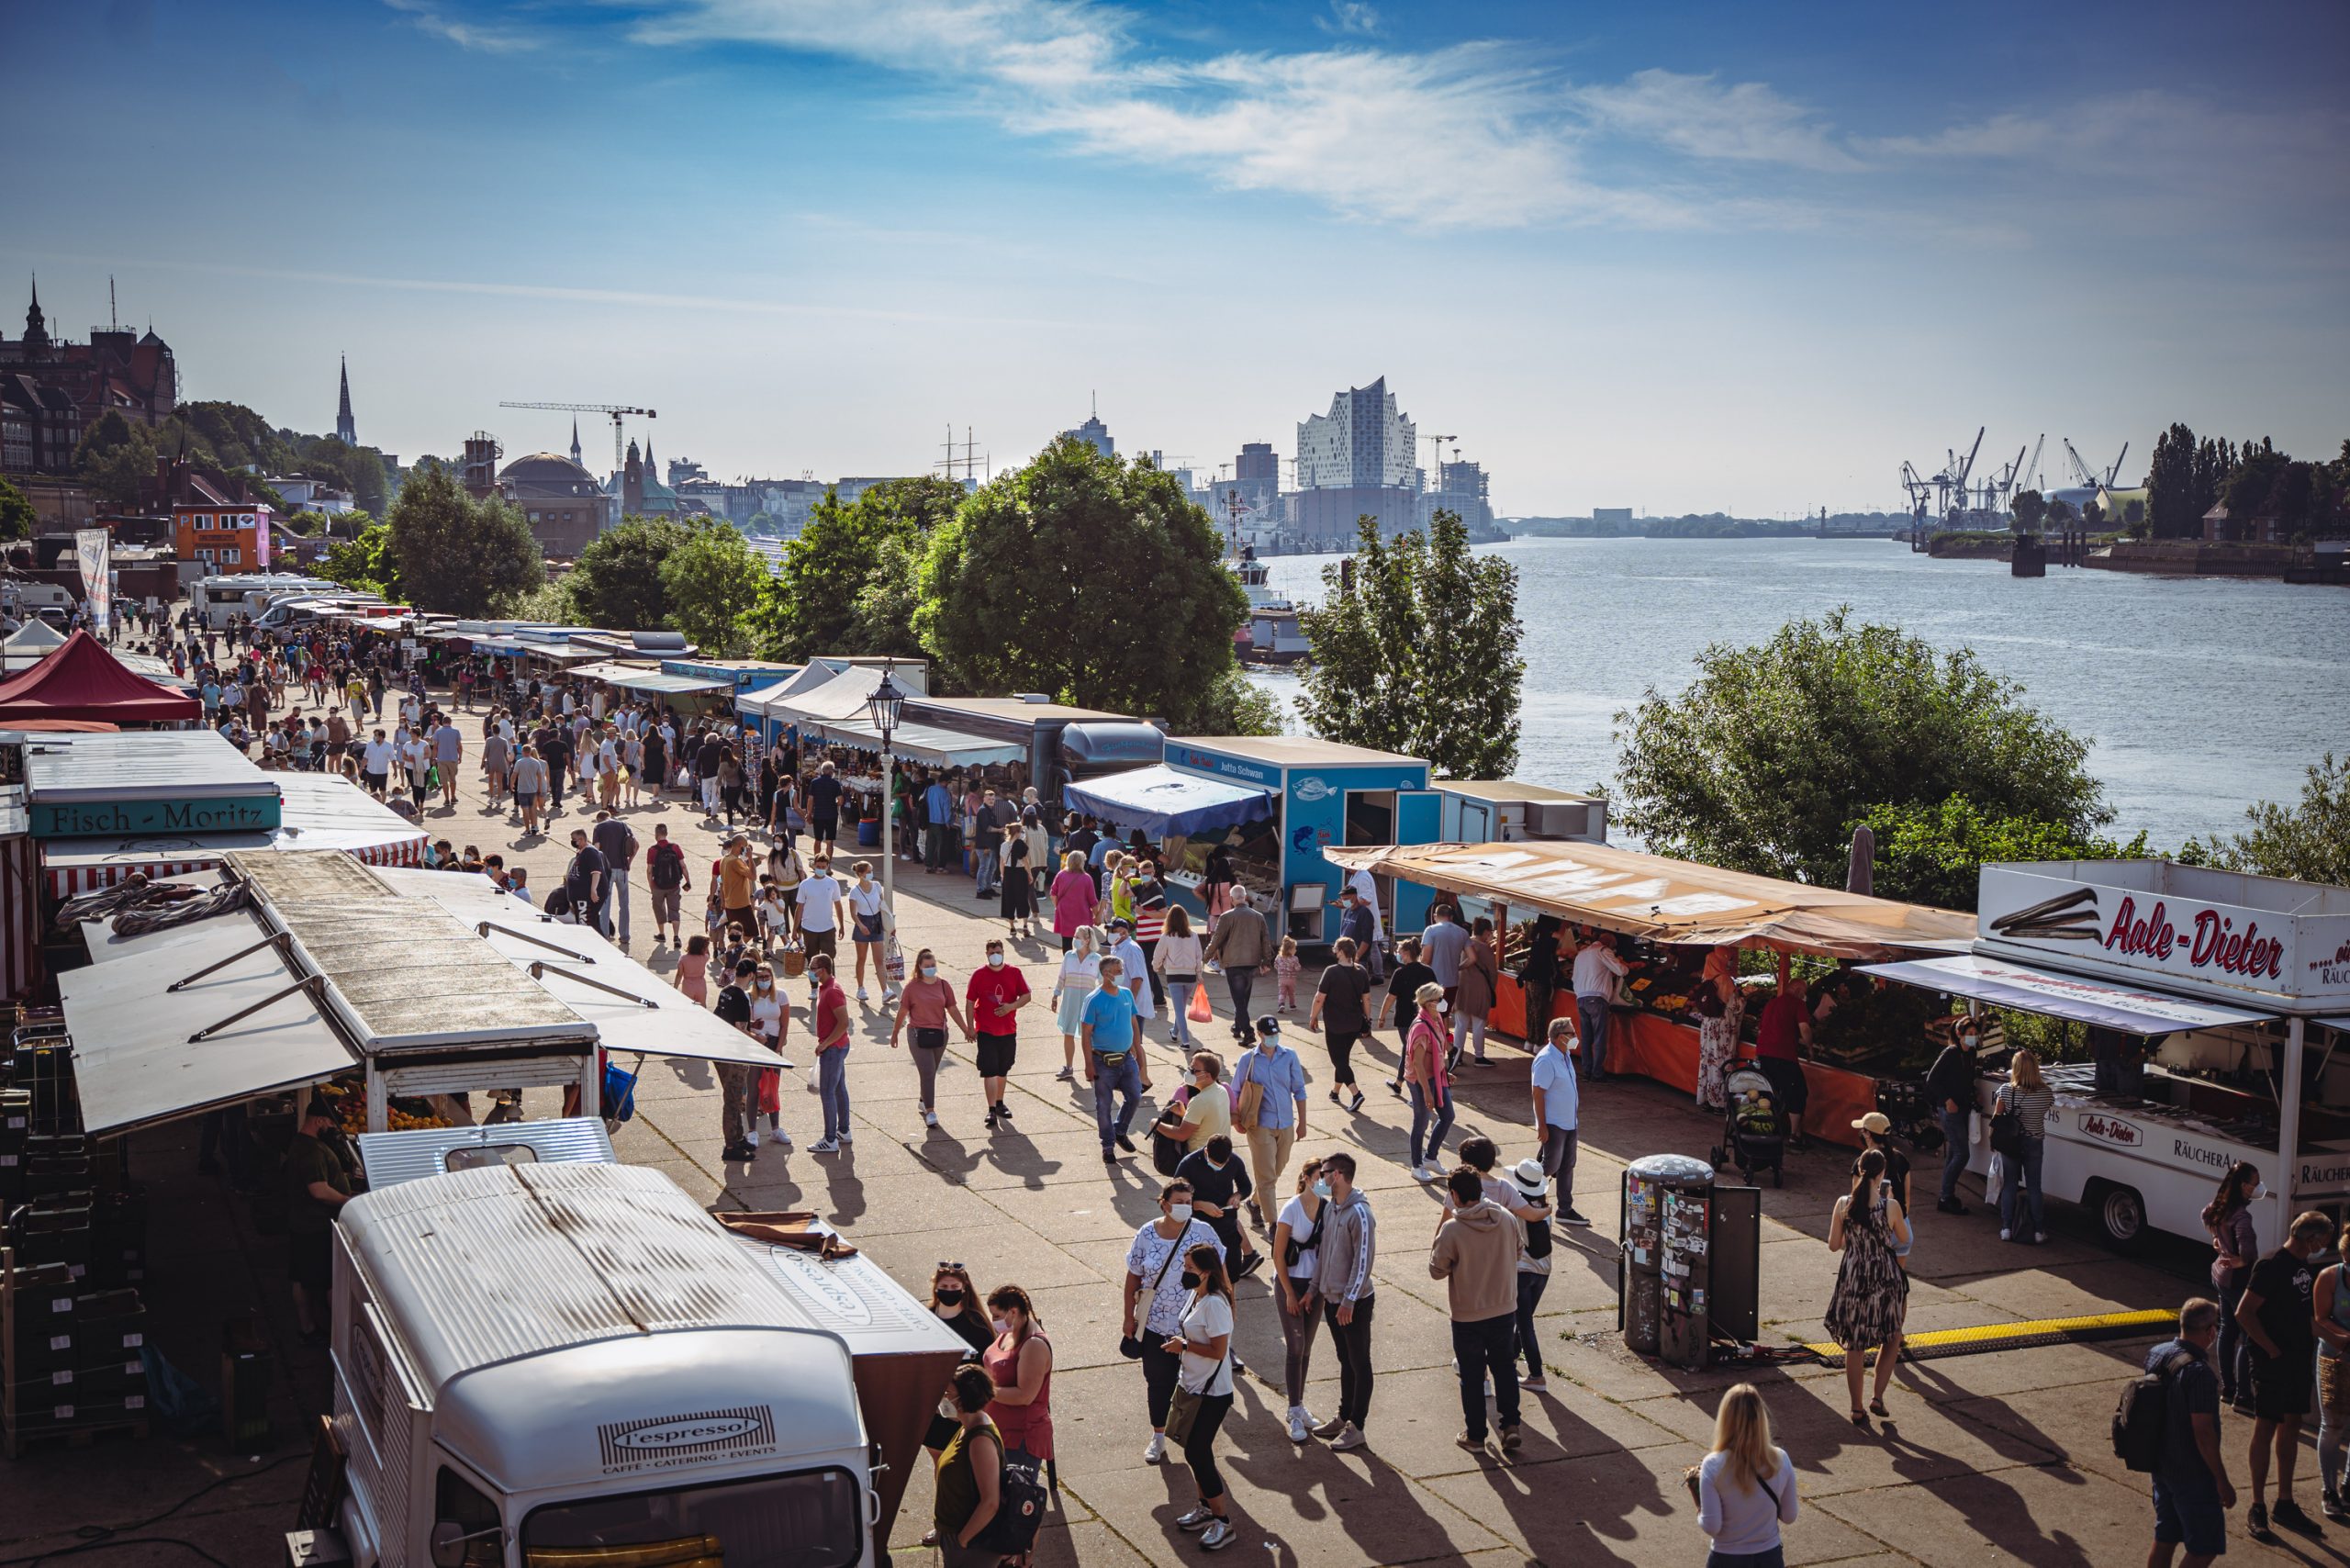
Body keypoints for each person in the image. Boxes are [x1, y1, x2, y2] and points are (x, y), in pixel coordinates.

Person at [2238, 1208, 2331, 1540]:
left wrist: (2332, 1337)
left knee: (2291, 1425)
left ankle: (2285, 1501)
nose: (2325, 1246)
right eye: (2323, 1240)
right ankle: (2258, 1504)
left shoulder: (2302, 1266)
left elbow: (2302, 1314)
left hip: (2296, 1360)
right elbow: (2244, 1313)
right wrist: (2272, 1350)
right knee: (2265, 1428)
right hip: (2272, 1362)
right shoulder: (2272, 1264)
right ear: (2311, 1238)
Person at [1123, 1182, 1223, 1465]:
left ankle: (1195, 1436)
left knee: (1197, 1384)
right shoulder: (1146, 1234)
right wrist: (1128, 1317)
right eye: (1179, 1201)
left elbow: (1221, 1272)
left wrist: (1227, 1310)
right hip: (1155, 1326)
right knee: (1158, 1382)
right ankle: (1158, 1436)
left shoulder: (1203, 1232)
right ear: (1164, 1204)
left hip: (1195, 1326)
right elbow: (1132, 1277)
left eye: (1189, 1201)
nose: (1185, 1207)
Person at [1430, 1164, 1525, 1455]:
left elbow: (1436, 1270)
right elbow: (1519, 1250)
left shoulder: (1453, 1229)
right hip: (1504, 1308)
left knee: (1472, 1376)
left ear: (1455, 1195)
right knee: (1505, 1369)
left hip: (1468, 1314)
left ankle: (1475, 1435)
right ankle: (1510, 1426)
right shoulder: (1506, 1218)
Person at [2146, 1297, 2236, 1568]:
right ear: (2210, 1332)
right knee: (2204, 1547)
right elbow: (2203, 1433)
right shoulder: (2200, 1374)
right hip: (2192, 1473)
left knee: (2165, 1536)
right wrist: (2221, 1479)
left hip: (2161, 1465)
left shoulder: (2158, 1353)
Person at [1825, 1147, 1911, 1426]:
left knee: (1855, 1343)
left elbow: (1833, 1245)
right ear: (1882, 1173)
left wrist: (1855, 1242)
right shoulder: (1891, 1206)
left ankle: (1856, 1408)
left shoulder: (1842, 1204)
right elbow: (1904, 1237)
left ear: (1859, 1170)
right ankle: (1877, 1397)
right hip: (1885, 1276)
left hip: (1854, 1276)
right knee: (1892, 1336)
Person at [1164, 1242, 1241, 1551]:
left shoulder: (1215, 1304)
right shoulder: (1195, 1296)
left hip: (1213, 1393)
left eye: (1190, 1269)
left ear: (1207, 1272)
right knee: (1193, 1450)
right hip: (1192, 1386)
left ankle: (1223, 1522)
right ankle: (1206, 1507)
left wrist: (1183, 1346)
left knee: (1198, 1452)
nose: (1185, 1273)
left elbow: (1219, 1351)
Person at [1310, 1151, 1376, 1450]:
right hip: (1333, 1299)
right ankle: (1344, 1414)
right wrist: (1315, 1288)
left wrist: (1349, 1300)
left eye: (1323, 1173)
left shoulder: (1360, 1214)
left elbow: (1363, 1262)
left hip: (1354, 1303)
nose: (1319, 1178)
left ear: (1336, 1175)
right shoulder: (1331, 1208)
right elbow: (1324, 1252)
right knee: (1345, 1359)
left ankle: (1357, 1426)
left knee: (1359, 1362)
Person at [1697, 1383, 1801, 1568]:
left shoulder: (1713, 1465)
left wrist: (1700, 1510)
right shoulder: (1780, 1459)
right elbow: (1789, 1516)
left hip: (1726, 1557)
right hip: (1769, 1556)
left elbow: (1712, 1526)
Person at [285, 1097, 354, 1340]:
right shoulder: (311, 1152)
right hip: (314, 1226)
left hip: (303, 1223)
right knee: (326, 1281)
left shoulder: (302, 1144)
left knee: (302, 1277)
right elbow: (319, 1190)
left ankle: (309, 1327)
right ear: (319, 1121)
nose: (332, 1129)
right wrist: (347, 1201)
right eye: (330, 1124)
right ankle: (328, 1333)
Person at [1231, 1015, 1310, 1229]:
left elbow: (1299, 1090)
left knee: (1276, 1170)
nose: (1273, 1038)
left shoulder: (1289, 1056)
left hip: (1285, 1123)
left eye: (1276, 1034)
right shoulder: (1248, 1059)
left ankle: (1255, 1203)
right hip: (1259, 1125)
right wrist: (1237, 1120)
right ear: (1259, 1035)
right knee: (1266, 1176)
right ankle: (1273, 1223)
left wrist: (1302, 1123)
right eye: (1269, 1035)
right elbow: (1235, 1090)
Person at [1272, 1158, 1328, 1444]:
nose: (1324, 1182)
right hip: (1290, 1283)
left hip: (1314, 1286)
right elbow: (1278, 1254)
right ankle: (1293, 1411)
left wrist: (1314, 1290)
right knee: (1295, 1347)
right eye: (1319, 1176)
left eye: (1327, 1177)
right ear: (1306, 1178)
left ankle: (1299, 1403)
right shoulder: (1292, 1208)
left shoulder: (1328, 1209)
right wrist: (1291, 1294)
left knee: (1305, 1348)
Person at [932, 1363, 1008, 1568]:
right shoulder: (967, 1426)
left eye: (948, 1393)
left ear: (964, 1398)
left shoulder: (980, 1441)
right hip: (959, 1536)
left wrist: (961, 1541)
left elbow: (990, 1502)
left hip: (972, 1544)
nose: (943, 1397)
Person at [2203, 1161, 2263, 1411]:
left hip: (2219, 1276)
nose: (2258, 1187)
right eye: (2255, 1183)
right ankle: (2243, 1396)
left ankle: (2227, 1388)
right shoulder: (2242, 1216)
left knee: (2227, 1329)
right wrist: (2243, 1260)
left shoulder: (2220, 1207)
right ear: (2243, 1186)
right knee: (2247, 1336)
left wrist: (2216, 1239)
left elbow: (2205, 1215)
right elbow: (2248, 1252)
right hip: (2238, 1282)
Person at [892, 948, 972, 1129]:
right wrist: (896, 1032)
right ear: (919, 967)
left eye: (933, 965)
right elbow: (903, 1011)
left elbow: (952, 1009)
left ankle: (923, 1099)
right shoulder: (912, 987)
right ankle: (930, 1111)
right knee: (927, 1071)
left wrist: (966, 1029)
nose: (931, 968)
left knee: (930, 1072)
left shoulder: (943, 985)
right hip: (917, 1035)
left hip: (939, 1035)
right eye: (927, 966)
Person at [981, 1284, 1054, 1484]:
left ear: (1013, 1312)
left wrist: (984, 1391)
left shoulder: (1033, 1345)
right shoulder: (1010, 1331)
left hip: (1019, 1440)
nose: (994, 1321)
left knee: (1011, 1504)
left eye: (996, 1316)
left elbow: (1025, 1396)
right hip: (999, 1431)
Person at [1175, 1127, 1264, 1282]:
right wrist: (1199, 1205)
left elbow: (1246, 1186)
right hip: (1198, 1227)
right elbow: (1174, 1197)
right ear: (1206, 1151)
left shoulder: (1234, 1161)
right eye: (1215, 1164)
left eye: (1224, 1164)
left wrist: (1238, 1196)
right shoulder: (1188, 1164)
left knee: (1230, 1277)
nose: (1220, 1167)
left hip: (1227, 1226)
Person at [1083, 957, 1146, 1166]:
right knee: (1104, 1105)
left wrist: (1138, 1048)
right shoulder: (1093, 999)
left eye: (1122, 970)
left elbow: (1133, 1023)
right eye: (1117, 971)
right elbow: (1085, 1034)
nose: (1121, 975)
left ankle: (1120, 1130)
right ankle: (1108, 1145)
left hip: (1126, 1059)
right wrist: (1088, 1064)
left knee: (1135, 1095)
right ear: (1106, 973)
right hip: (1101, 1061)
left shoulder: (1126, 994)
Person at [1528, 1017, 1591, 1225]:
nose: (1575, 1037)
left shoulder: (1565, 1056)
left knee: (1567, 1165)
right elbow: (1537, 1093)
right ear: (1560, 1036)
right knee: (1549, 1166)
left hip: (1569, 1122)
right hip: (1554, 1124)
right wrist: (1542, 1125)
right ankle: (1526, 1197)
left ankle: (1565, 1209)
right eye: (1571, 1033)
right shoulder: (1546, 1059)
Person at [966, 937, 1030, 1129]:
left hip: (1008, 1030)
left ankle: (1000, 1103)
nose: (996, 955)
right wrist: (970, 1027)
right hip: (986, 1030)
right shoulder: (979, 975)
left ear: (1004, 952)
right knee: (989, 1070)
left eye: (998, 952)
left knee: (1003, 1069)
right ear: (987, 954)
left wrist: (1011, 1006)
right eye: (992, 952)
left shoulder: (1014, 973)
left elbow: (1026, 996)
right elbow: (970, 1002)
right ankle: (991, 1109)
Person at [1505, 1157, 1556, 1393]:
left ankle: (1536, 1374)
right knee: (1523, 1320)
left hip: (1522, 1271)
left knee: (1524, 1324)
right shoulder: (1545, 1210)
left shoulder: (1515, 1210)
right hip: (1543, 1271)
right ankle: (1511, 1356)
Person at [1994, 1047, 2055, 1243]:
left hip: (2011, 1142)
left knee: (2010, 1185)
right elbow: (2045, 1109)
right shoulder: (2046, 1093)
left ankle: (2006, 1229)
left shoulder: (2005, 1090)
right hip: (2034, 1141)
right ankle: (2038, 1231)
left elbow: (1997, 1117)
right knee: (2034, 1187)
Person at [1310, 935, 1374, 1112]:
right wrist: (1368, 1020)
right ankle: (1335, 1091)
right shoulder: (1361, 971)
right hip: (1354, 1023)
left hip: (1335, 1024)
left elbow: (1319, 998)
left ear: (1341, 952)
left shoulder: (1331, 972)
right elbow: (1366, 998)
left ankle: (1356, 1093)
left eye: (1336, 949)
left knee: (1337, 1059)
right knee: (1343, 1058)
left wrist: (1313, 1016)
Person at [1923, 1019, 1981, 1215]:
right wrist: (1946, 1099)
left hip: (1963, 1107)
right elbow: (1932, 1079)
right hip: (1950, 1109)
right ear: (1960, 1034)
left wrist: (1973, 1092)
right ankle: (1945, 1195)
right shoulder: (1951, 1053)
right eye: (1970, 1032)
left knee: (1955, 1152)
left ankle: (1947, 1194)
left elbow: (1966, 1078)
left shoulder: (1971, 1053)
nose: (1973, 1036)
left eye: (1975, 1032)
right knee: (1962, 1153)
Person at [1401, 980, 1454, 1182]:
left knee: (1448, 1116)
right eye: (1439, 999)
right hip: (1420, 1080)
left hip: (1437, 1077)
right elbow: (1418, 1064)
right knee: (1421, 1122)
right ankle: (1416, 1165)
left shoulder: (1437, 1019)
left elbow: (1439, 1052)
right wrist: (1426, 1091)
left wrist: (1444, 1072)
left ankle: (1430, 1157)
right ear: (1428, 1003)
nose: (1442, 1002)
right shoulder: (1421, 1029)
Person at [1752, 975, 1813, 1150]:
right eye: (1804, 992)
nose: (1804, 996)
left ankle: (1768, 1127)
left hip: (1764, 1054)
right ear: (1798, 990)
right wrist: (1810, 1047)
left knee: (1771, 1092)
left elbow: (1762, 1029)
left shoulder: (1772, 1003)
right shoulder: (1798, 1004)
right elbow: (1805, 1028)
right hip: (1783, 1055)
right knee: (1798, 1092)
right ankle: (1795, 1135)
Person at [1203, 889, 1270, 1042]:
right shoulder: (1258, 916)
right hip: (1252, 962)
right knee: (1243, 999)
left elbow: (1217, 939)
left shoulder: (1227, 917)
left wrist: (1205, 957)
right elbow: (1265, 939)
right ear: (1245, 897)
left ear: (1231, 899)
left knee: (1239, 1000)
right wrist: (1266, 961)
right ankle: (1237, 1026)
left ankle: (1248, 1032)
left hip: (1233, 963)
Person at [711, 958, 761, 1162]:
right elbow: (740, 1030)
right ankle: (730, 1145)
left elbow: (720, 1016)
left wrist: (752, 1025)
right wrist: (760, 1039)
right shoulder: (741, 996)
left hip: (720, 1051)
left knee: (734, 1097)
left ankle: (739, 1137)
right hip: (733, 1054)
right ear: (751, 975)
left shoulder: (726, 991)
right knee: (732, 1100)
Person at [2316, 1226, 2350, 1522]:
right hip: (2334, 1357)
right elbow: (2321, 1318)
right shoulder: (2329, 1277)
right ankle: (2329, 1489)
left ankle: (2349, 1485)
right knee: (2334, 1424)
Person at [1851, 1112, 1913, 1266]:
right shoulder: (1901, 1159)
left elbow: (1856, 1198)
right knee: (1896, 1281)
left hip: (1874, 1229)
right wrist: (1899, 1219)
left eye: (1863, 1130)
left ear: (1867, 1134)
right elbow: (1907, 1196)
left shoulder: (1862, 1163)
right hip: (1900, 1227)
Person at [1377, 935, 1436, 1096]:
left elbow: (1390, 997)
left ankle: (1416, 1090)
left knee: (1412, 1054)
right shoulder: (1428, 971)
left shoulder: (1400, 973)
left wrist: (1381, 1017)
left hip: (1405, 1019)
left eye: (1400, 952)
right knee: (1410, 1052)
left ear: (1408, 953)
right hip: (1424, 1019)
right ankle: (1398, 1083)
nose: (1398, 955)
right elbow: (1437, 995)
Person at [808, 953, 853, 1153]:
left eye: (813, 967)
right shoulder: (825, 987)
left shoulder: (833, 991)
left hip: (834, 1048)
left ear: (823, 969)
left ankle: (830, 1139)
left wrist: (825, 1044)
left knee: (827, 1092)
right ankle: (843, 1131)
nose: (810, 971)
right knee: (839, 1088)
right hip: (837, 1046)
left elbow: (844, 1023)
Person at [1571, 929, 1629, 1081]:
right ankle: (1597, 1073)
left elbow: (1574, 978)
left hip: (1581, 998)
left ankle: (1587, 1071)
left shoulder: (1582, 954)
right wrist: (1624, 964)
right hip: (1597, 998)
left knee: (1586, 1037)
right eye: (1614, 947)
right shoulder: (1603, 951)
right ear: (1609, 944)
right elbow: (1621, 970)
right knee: (1599, 1037)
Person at [1050, 924, 1103, 1081]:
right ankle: (1068, 1067)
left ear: (1087, 940)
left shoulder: (1097, 959)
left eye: (1078, 937)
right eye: (1074, 936)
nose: (1074, 940)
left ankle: (1093, 1067)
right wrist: (1056, 995)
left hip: (1089, 1003)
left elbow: (1101, 983)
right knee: (1068, 1032)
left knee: (1091, 1036)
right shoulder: (1069, 956)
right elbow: (1062, 977)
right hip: (1070, 1000)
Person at [1695, 945, 1742, 1111]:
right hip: (1722, 1029)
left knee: (1707, 1060)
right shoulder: (1724, 980)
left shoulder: (1706, 977)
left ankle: (1706, 1098)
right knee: (1720, 1062)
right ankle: (1719, 1102)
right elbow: (1735, 1007)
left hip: (1708, 1026)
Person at [1155, 905, 1205, 1049]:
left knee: (1178, 1010)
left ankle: (1186, 1042)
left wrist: (1155, 966)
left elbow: (1159, 954)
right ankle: (1174, 1033)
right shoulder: (1193, 935)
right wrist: (1199, 973)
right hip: (1190, 977)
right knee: (1181, 1008)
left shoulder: (1166, 936)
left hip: (1174, 976)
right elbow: (1198, 956)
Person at [1451, 916, 1500, 1068]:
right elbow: (1493, 973)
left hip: (1462, 987)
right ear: (1486, 932)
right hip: (1480, 990)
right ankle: (1479, 1056)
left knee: (1460, 1024)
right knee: (1479, 1024)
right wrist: (1492, 988)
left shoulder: (1464, 943)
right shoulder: (1485, 949)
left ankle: (1457, 1055)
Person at [591, 810, 637, 944]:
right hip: (622, 869)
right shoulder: (623, 825)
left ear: (599, 819)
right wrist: (629, 862)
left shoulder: (599, 827)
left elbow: (596, 849)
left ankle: (604, 935)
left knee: (605, 904)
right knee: (624, 904)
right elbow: (635, 845)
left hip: (606, 871)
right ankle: (625, 936)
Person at [1517, 916, 1563, 1047]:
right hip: (1541, 977)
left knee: (1531, 1011)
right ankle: (1538, 1043)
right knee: (1540, 1012)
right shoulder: (1554, 935)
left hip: (1529, 976)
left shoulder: (1537, 933)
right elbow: (1559, 953)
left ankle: (1529, 1041)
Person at [845, 860, 889, 1002]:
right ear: (860, 874)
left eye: (871, 871)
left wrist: (888, 924)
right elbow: (853, 913)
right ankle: (860, 987)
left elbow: (882, 905)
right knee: (862, 958)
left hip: (876, 923)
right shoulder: (854, 891)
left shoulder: (876, 886)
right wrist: (860, 925)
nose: (871, 874)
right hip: (863, 923)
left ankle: (885, 991)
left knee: (879, 960)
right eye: (868, 872)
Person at [1419, 903, 1471, 1013]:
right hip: (1452, 981)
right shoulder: (1463, 932)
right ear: (1451, 917)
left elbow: (1426, 959)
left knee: (1431, 1014)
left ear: (1434, 916)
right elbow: (1473, 958)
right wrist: (1458, 967)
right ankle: (1444, 1030)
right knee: (1444, 1014)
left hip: (1433, 982)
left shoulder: (1430, 930)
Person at [795, 856, 844, 970]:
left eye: (823, 867)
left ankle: (831, 985)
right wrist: (795, 928)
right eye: (818, 866)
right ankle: (814, 987)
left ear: (827, 867)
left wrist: (842, 925)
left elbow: (838, 905)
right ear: (814, 866)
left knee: (829, 959)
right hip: (809, 928)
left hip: (827, 928)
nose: (821, 869)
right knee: (812, 960)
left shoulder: (833, 883)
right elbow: (800, 907)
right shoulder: (805, 884)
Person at [1049, 849, 1097, 951]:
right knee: (1083, 942)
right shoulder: (1086, 878)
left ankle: (1068, 962)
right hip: (1082, 914)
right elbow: (1093, 901)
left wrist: (1058, 906)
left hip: (1064, 912)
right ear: (1081, 863)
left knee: (1066, 942)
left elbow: (1053, 894)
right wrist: (1097, 916)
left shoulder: (1060, 875)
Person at [562, 828, 608, 925]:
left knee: (586, 925)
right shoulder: (581, 852)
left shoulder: (590, 852)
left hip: (585, 898)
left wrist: (593, 890)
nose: (572, 842)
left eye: (574, 839)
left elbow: (596, 872)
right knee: (587, 924)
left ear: (582, 839)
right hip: (579, 898)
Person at [999, 822, 1035, 937]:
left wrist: (1003, 875)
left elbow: (1002, 862)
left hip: (1008, 873)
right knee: (1022, 898)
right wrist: (1029, 874)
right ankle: (1025, 926)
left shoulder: (1004, 845)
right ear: (1018, 832)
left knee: (1009, 899)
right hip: (1020, 873)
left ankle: (1012, 927)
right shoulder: (1021, 844)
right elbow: (1025, 862)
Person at [806, 759, 844, 850]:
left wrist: (809, 814)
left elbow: (810, 800)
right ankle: (828, 863)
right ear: (831, 771)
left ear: (822, 771)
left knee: (818, 840)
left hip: (818, 815)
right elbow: (841, 801)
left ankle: (817, 861)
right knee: (830, 841)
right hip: (832, 815)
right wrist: (835, 804)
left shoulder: (815, 782)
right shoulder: (835, 783)